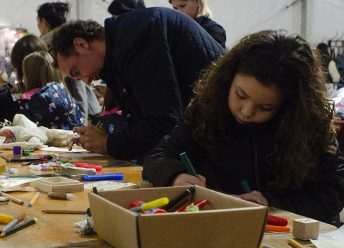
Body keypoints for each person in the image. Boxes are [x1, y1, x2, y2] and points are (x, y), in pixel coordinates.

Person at [143, 30, 344, 226]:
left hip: (288, 234)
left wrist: (272, 203)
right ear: (229, 78)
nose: (246, 111)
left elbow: (333, 193)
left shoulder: (310, 126)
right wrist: (175, 176)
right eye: (240, 95)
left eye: (265, 107)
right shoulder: (208, 109)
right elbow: (159, 156)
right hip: (221, 227)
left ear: (289, 104)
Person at [52, 8, 223, 160]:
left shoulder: (136, 37)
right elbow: (145, 120)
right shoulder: (121, 47)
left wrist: (108, 143)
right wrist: (101, 136)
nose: (86, 80)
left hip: (224, 137)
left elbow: (163, 123)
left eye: (77, 72)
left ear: (81, 44)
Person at [37, 2, 101, 123]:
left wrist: (81, 123)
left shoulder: (61, 46)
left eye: (38, 21)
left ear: (43, 21)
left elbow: (78, 87)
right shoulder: (53, 44)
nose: (38, 26)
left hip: (85, 114)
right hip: (78, 112)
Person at [19, 51, 83, 129]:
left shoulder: (29, 102)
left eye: (24, 73)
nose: (23, 79)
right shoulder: (65, 95)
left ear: (30, 76)